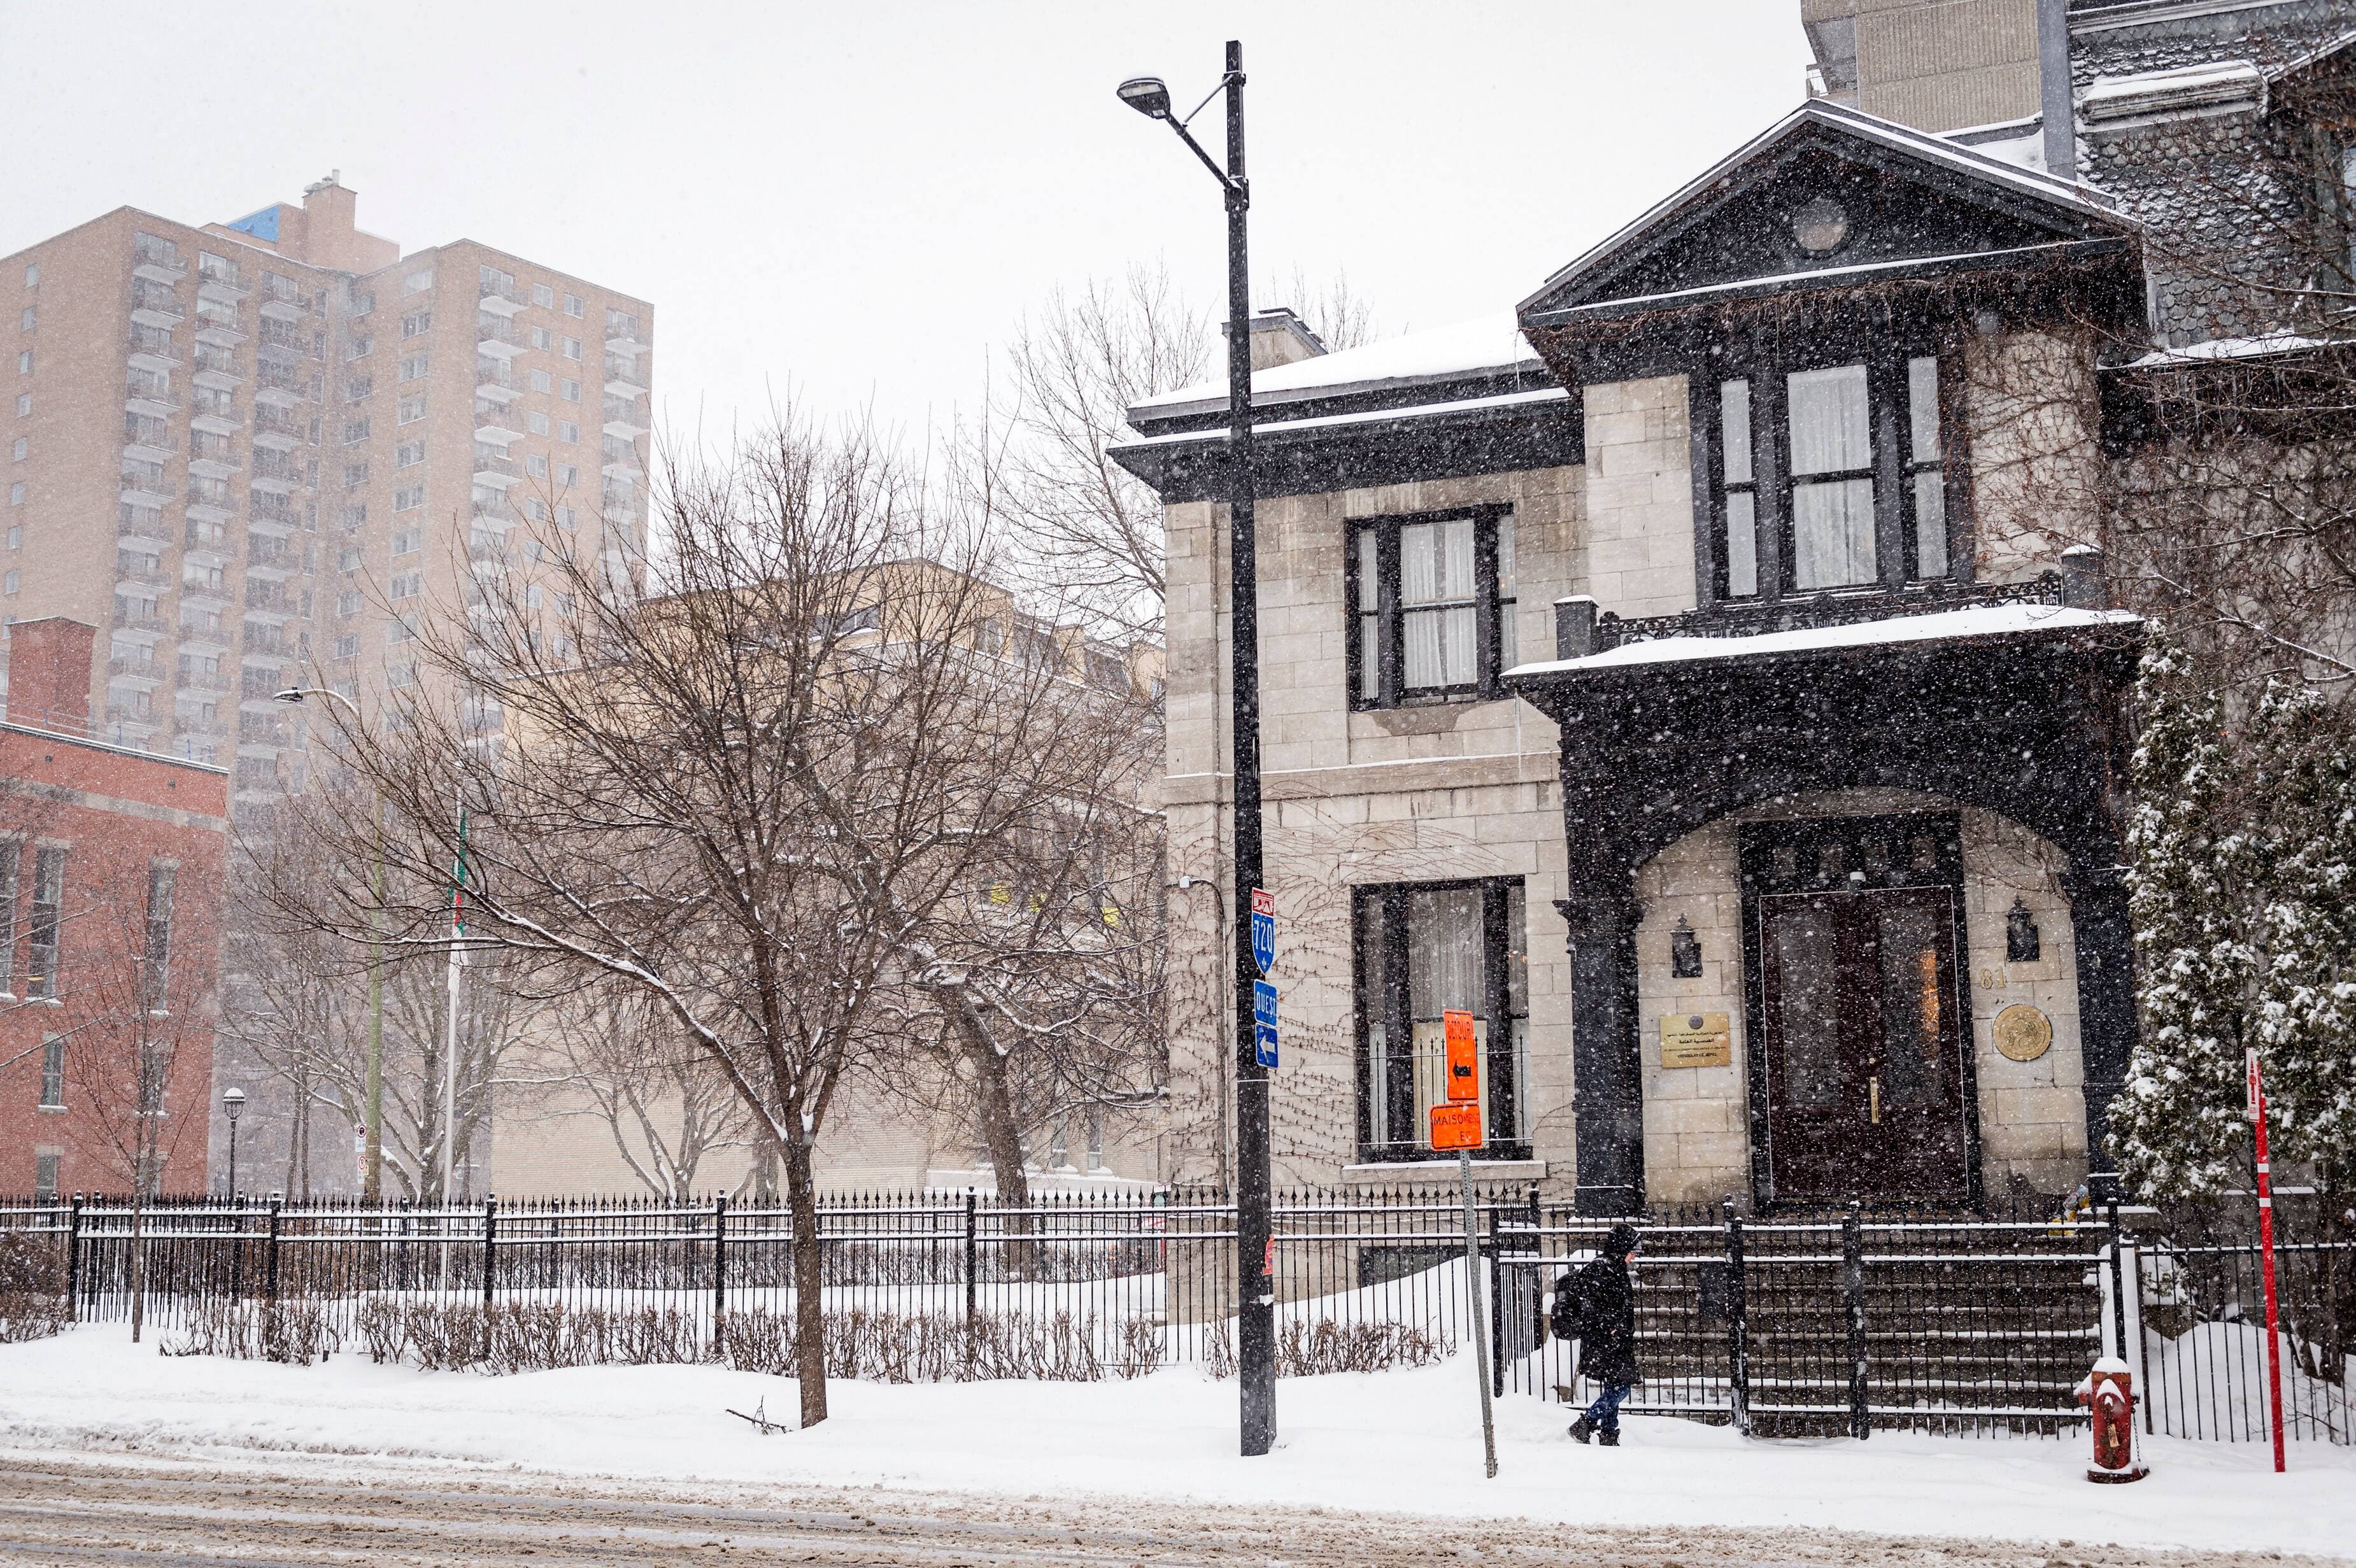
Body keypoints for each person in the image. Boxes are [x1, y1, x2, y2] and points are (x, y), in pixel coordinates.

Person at [1556, 1222, 1640, 1446]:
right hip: (1605, 1341)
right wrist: (1609, 1326)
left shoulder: (1613, 1267)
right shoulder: (1603, 1268)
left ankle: (1609, 1434)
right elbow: (1590, 1305)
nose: (1634, 1256)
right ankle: (1585, 1423)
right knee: (1621, 1388)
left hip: (1613, 1341)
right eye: (1633, 1250)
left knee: (1614, 1387)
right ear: (1623, 1248)